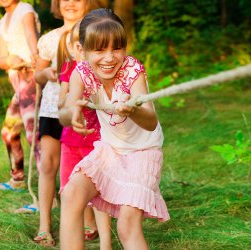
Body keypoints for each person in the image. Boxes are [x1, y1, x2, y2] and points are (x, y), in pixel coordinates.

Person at [59, 8, 170, 250]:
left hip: (143, 152)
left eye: (116, 48)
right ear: (83, 51)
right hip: (110, 151)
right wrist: (73, 112)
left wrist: (133, 110)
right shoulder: (82, 72)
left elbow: (150, 121)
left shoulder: (133, 70)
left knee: (127, 225)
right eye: (99, 49)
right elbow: (66, 112)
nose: (109, 57)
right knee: (71, 194)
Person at [33, 0, 99, 246]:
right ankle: (44, 226)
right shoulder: (50, 39)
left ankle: (88, 221)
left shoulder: (95, 31)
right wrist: (47, 74)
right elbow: (37, 74)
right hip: (53, 109)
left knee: (84, 166)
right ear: (57, 4)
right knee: (49, 165)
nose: (70, 3)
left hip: (83, 111)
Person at [57, 22, 112, 248]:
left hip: (96, 143)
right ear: (76, 48)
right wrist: (72, 106)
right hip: (70, 143)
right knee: (69, 193)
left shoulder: (103, 71)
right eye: (79, 47)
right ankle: (74, 235)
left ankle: (106, 243)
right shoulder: (70, 71)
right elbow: (62, 104)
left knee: (100, 196)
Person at [0, 0, 41, 191]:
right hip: (17, 81)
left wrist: (36, 58)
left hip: (29, 76)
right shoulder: (3, 21)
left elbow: (31, 37)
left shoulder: (25, 10)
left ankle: (49, 195)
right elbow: (1, 60)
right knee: (9, 131)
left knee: (34, 135)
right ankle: (18, 178)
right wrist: (9, 60)